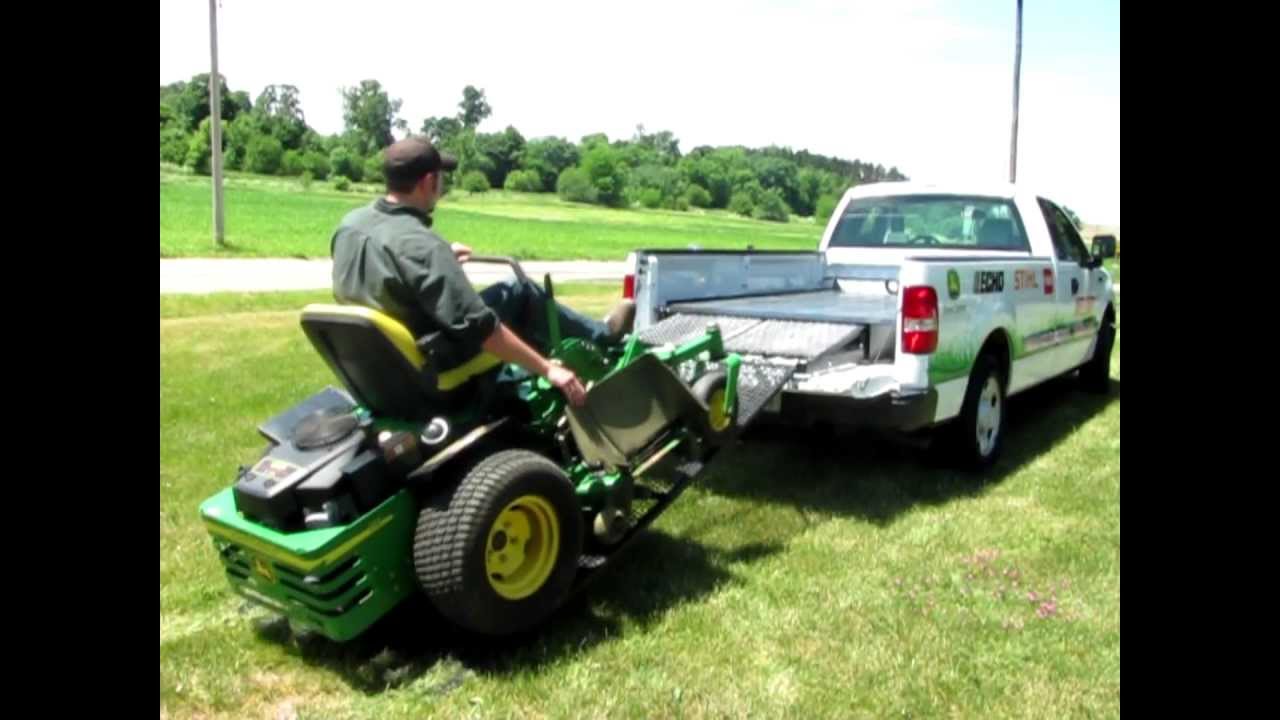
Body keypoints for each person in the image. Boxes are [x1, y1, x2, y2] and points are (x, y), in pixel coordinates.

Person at [329, 136, 635, 407]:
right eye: (440, 178)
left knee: (507, 295)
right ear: (427, 182)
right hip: (432, 360)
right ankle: (603, 336)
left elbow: (383, 274)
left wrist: (440, 263)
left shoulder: (350, 225)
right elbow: (481, 329)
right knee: (518, 291)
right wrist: (547, 369)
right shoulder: (421, 245)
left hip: (384, 363)